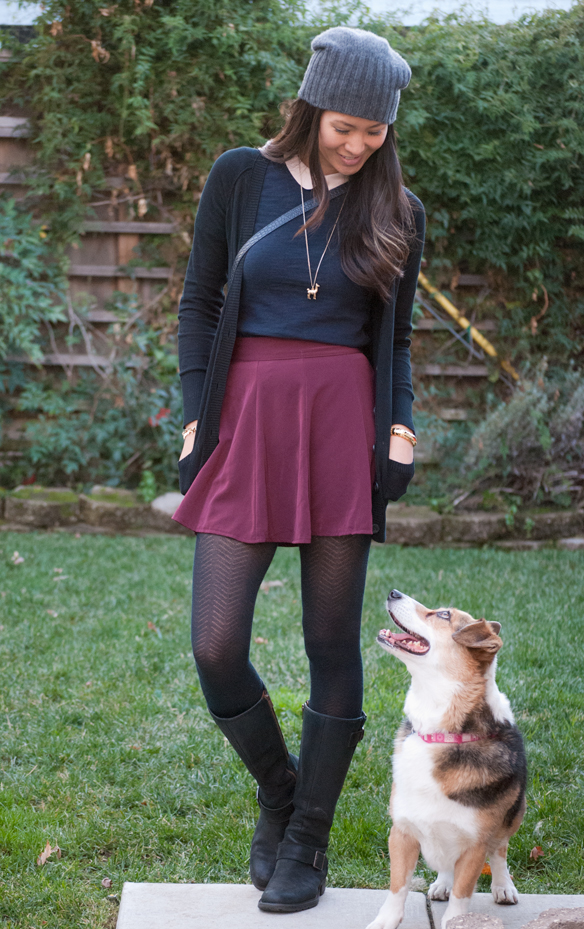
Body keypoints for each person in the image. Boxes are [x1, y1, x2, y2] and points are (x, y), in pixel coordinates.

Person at [172, 26, 425, 914]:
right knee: (215, 642)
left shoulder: (399, 210)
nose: (359, 145)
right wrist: (194, 408)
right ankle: (280, 790)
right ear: (312, 107)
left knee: (330, 643)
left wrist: (398, 426)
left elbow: (395, 341)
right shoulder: (241, 177)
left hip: (340, 425)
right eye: (345, 126)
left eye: (376, 131)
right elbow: (201, 300)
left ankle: (307, 839)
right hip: (247, 417)